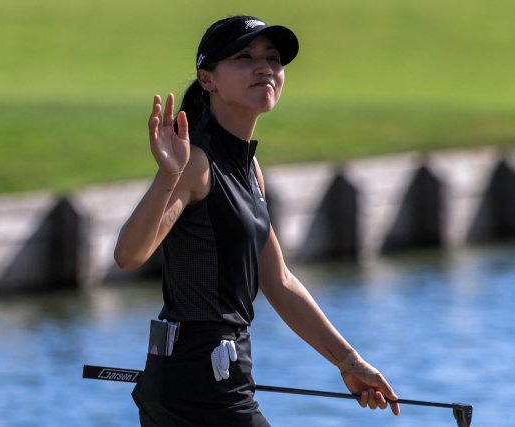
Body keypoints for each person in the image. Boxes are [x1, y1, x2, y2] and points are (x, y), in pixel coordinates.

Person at [114, 15, 400, 427]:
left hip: (215, 377)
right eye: (245, 57)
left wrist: (348, 361)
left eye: (272, 59)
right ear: (207, 79)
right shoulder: (195, 162)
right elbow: (129, 255)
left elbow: (278, 280)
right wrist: (168, 175)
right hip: (198, 385)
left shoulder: (248, 168)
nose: (265, 67)